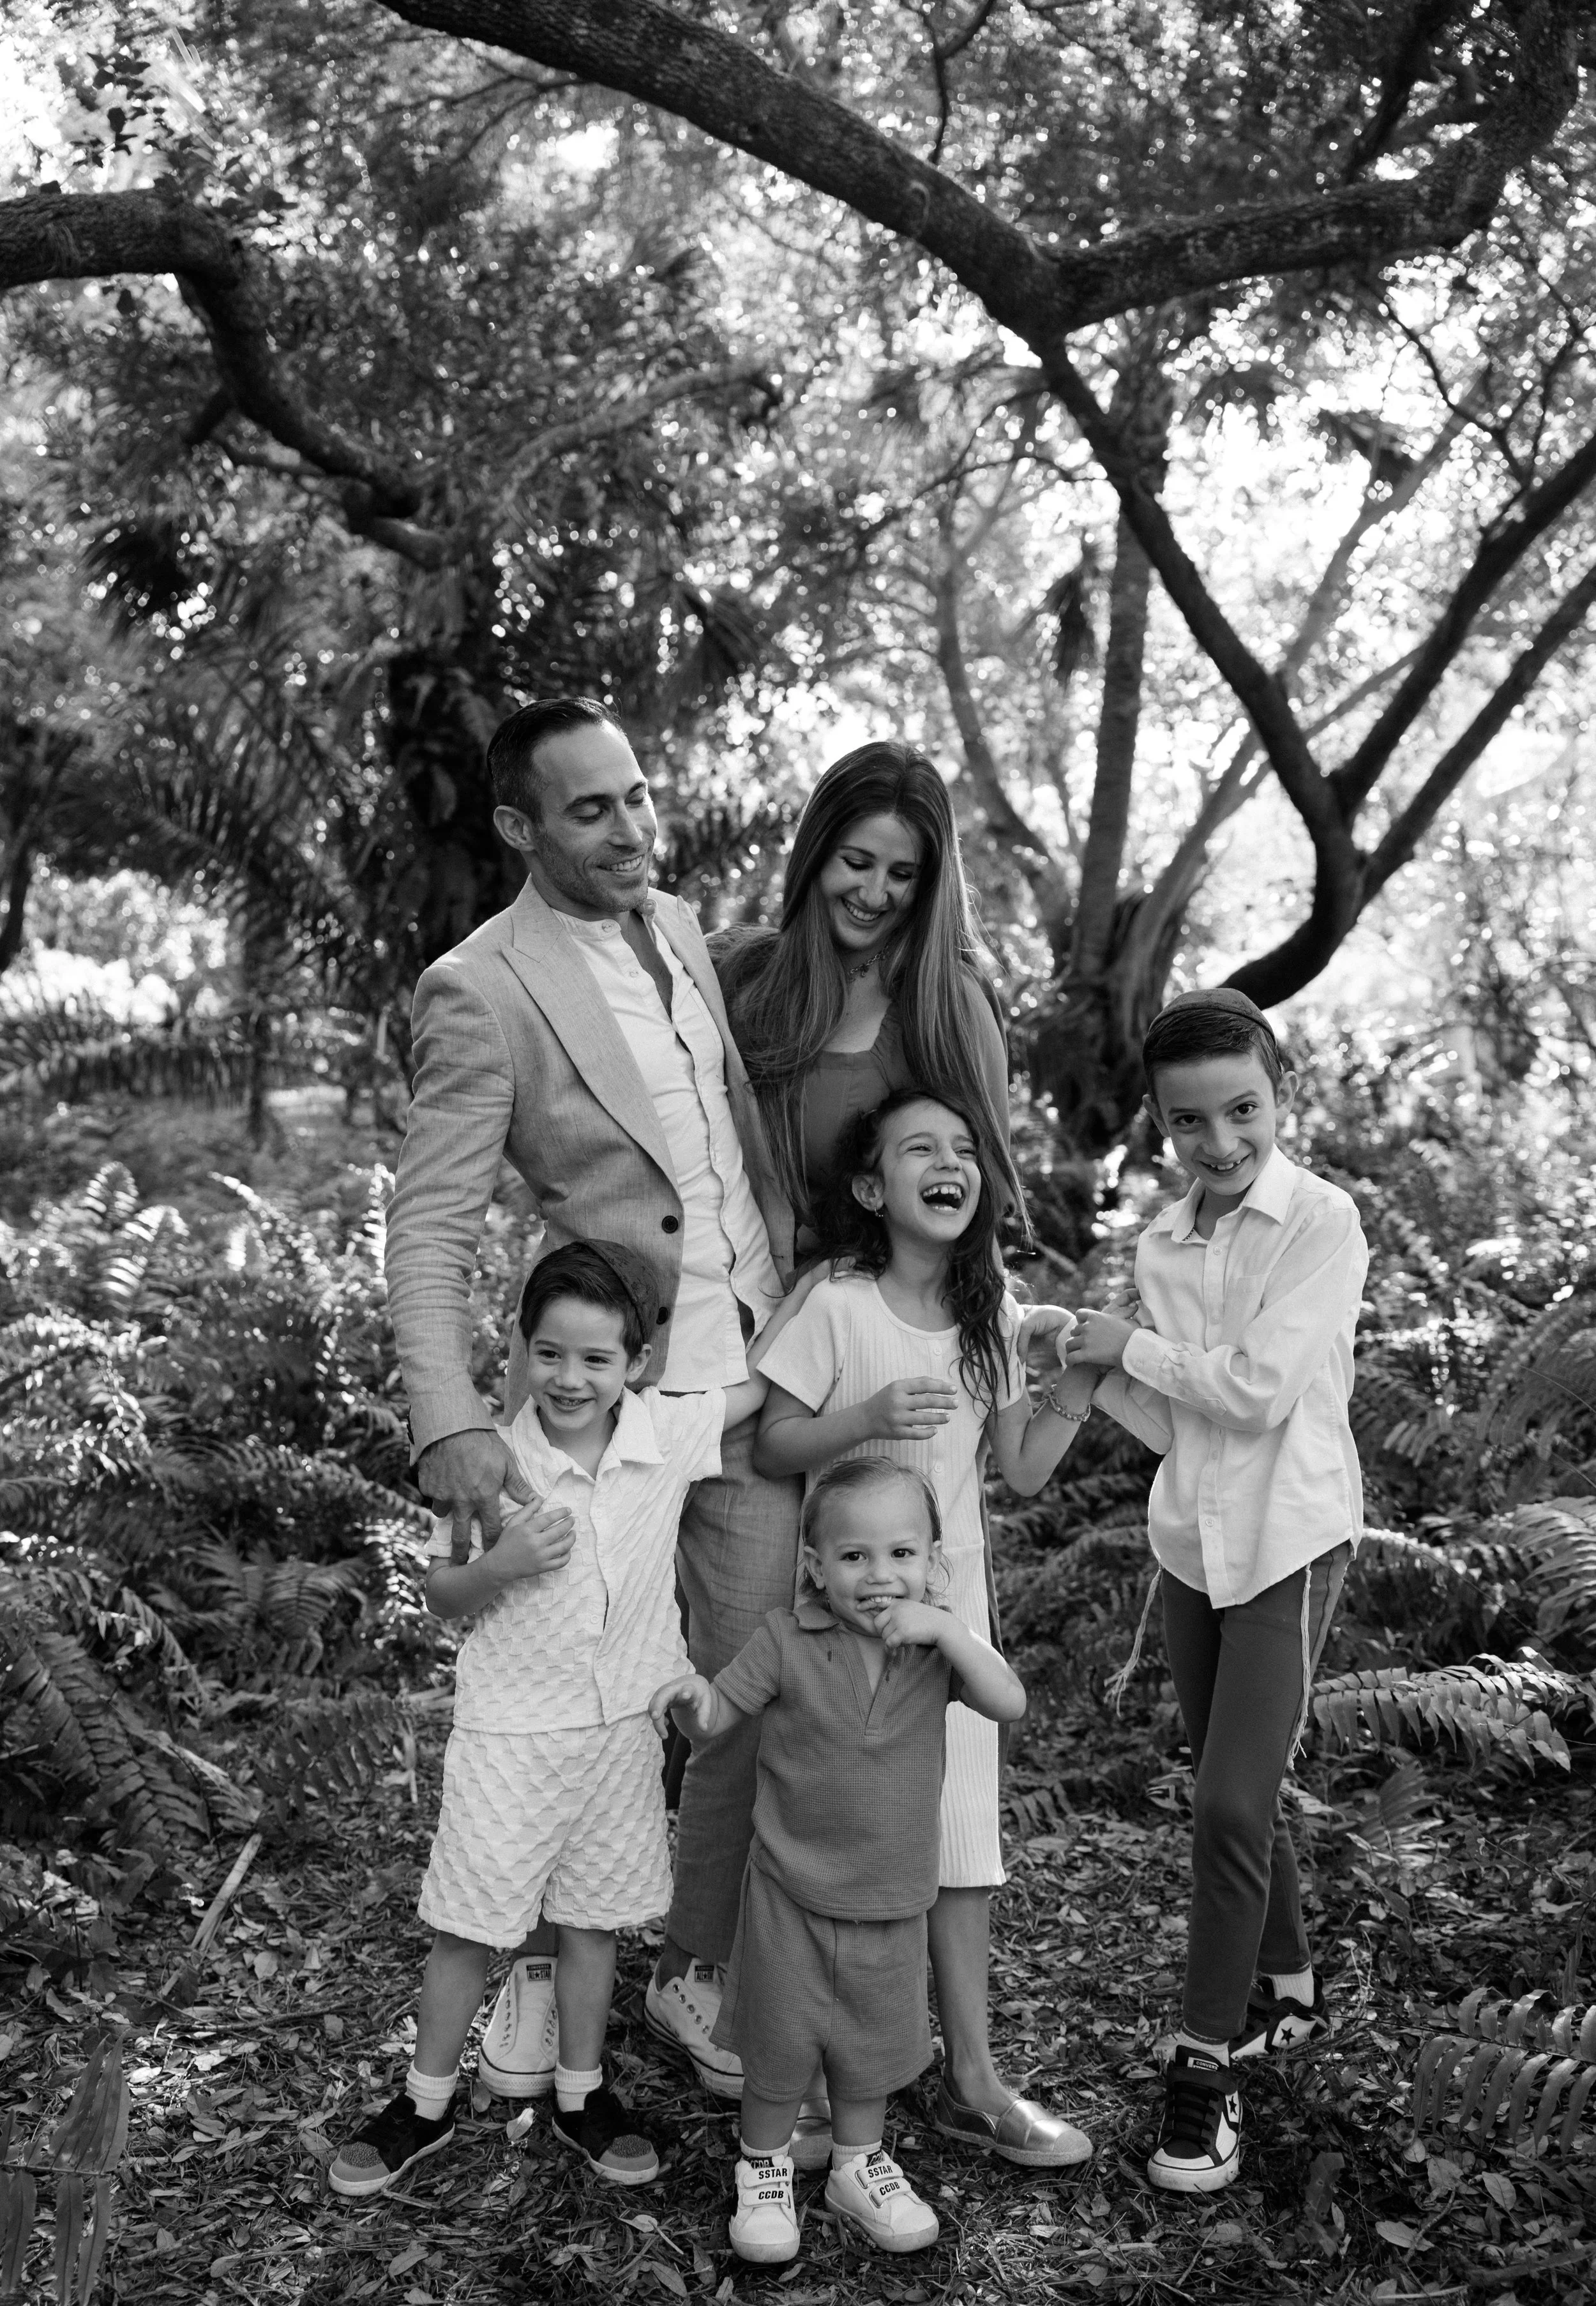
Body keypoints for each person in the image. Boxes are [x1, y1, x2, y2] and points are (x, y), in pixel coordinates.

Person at [383, 697, 802, 2112]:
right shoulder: (479, 988)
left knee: (735, 1695)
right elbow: (430, 1222)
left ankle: (689, 1965)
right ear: (518, 826)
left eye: (636, 796)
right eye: (590, 809)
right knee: (565, 1690)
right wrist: (451, 1421)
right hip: (600, 1413)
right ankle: (526, 1960)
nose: (631, 828)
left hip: (752, 1384)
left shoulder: (678, 927)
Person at [329, 1242, 771, 2197]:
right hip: (512, 1736)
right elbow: (442, 1594)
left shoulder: (666, 1434)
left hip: (621, 1733)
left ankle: (581, 2093)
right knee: (465, 1926)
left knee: (592, 1924)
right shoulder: (490, 1462)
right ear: (520, 1349)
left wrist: (833, 1282)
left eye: (597, 1359)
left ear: (638, 1363)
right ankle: (423, 2104)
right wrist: (502, 1565)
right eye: (550, 1353)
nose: (571, 1378)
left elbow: (765, 1384)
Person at [751, 1089, 1097, 2169]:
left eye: (963, 1149)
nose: (949, 1163)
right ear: (871, 1188)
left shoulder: (991, 1313)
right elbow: (773, 1442)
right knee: (840, 1834)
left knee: (960, 1842)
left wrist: (1079, 1381)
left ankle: (973, 2079)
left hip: (948, 1614)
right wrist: (865, 1419)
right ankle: (816, 2082)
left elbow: (1024, 1467)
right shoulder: (837, 1304)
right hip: (841, 1623)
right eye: (918, 1149)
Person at [1065, 986, 1368, 2195]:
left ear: (1280, 1093)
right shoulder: (1162, 1242)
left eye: (1243, 1109)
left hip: (1290, 1538)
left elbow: (1253, 1391)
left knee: (1229, 1806)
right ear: (1160, 1121)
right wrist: (1084, 1363)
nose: (1221, 1140)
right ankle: (1287, 1987)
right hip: (1193, 1541)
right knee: (1230, 1788)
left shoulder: (1324, 1221)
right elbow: (1179, 1418)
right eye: (1190, 1120)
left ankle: (1205, 2067)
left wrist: (1126, 1347)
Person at [649, 1459, 1028, 2265]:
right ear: (816, 1568)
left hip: (892, 1893)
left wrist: (951, 1632)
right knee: (779, 2044)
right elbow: (722, 1711)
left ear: (933, 1562)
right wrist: (692, 1702)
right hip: (788, 1887)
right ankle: (764, 2168)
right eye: (854, 1556)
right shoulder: (785, 1639)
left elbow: (1009, 1702)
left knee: (870, 2046)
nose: (879, 1575)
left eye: (901, 1554)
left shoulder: (935, 1650)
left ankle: (859, 2166)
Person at [713, 738, 1022, 1253]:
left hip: (878, 1295)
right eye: (857, 863)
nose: (875, 894)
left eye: (902, 875)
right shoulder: (740, 973)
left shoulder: (949, 1002)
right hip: (737, 1288)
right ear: (816, 852)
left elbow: (983, 1200)